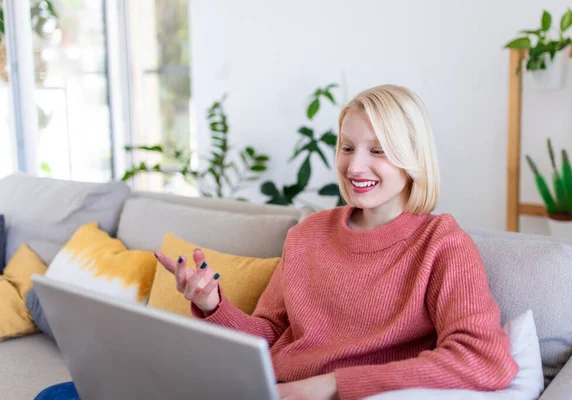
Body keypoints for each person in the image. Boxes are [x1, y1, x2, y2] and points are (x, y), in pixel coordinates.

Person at [155, 84, 519, 400]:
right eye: (347, 148)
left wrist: (333, 384)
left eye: (377, 151)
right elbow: (268, 337)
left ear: (413, 159)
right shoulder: (306, 235)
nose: (355, 167)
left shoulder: (441, 245)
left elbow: (484, 359)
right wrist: (213, 303)